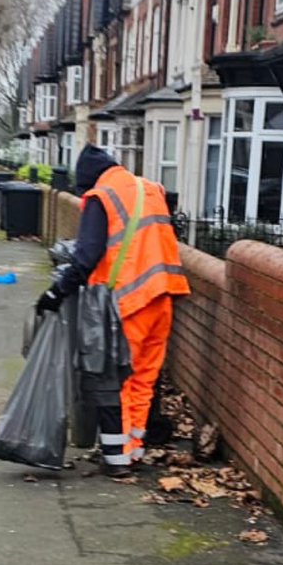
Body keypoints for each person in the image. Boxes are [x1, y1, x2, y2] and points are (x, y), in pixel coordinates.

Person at [36, 142, 190, 474]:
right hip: (164, 295)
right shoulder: (150, 189)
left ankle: (116, 458)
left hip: (130, 301)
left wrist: (56, 293)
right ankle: (134, 449)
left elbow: (87, 255)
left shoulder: (102, 197)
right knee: (143, 378)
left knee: (115, 378)